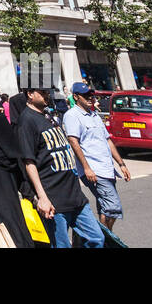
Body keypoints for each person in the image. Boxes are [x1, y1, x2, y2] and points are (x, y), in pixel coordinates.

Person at [18, 85, 102, 247]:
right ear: (30, 94)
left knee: (96, 238)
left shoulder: (48, 115)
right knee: (62, 245)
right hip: (53, 198)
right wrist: (42, 197)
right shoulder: (26, 121)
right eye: (42, 92)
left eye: (48, 92)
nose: (47, 95)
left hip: (74, 195)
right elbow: (29, 162)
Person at [62, 83, 130, 231]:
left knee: (105, 207)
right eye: (86, 96)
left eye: (91, 95)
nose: (90, 98)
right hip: (94, 171)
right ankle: (105, 238)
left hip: (107, 169)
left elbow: (107, 140)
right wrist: (87, 168)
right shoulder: (72, 116)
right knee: (113, 207)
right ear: (76, 97)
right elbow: (74, 142)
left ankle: (102, 239)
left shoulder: (94, 115)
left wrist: (121, 164)